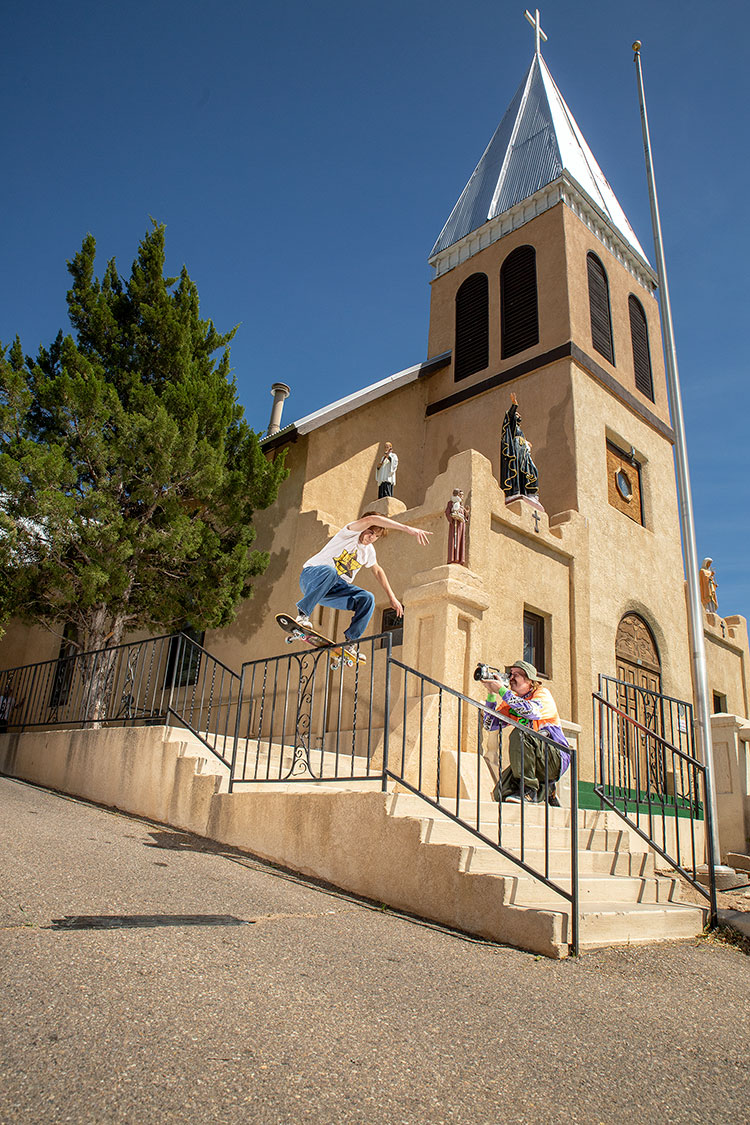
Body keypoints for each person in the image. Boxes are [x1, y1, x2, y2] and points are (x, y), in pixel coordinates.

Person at [295, 512, 431, 656]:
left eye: (376, 537)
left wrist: (392, 597)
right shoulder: (350, 533)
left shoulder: (369, 551)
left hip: (332, 590)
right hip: (312, 577)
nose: (371, 538)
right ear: (363, 527)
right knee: (331, 571)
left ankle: (350, 642)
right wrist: (407, 529)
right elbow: (371, 519)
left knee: (367, 598)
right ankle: (303, 615)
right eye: (370, 533)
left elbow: (378, 571)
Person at [481, 660, 570, 804]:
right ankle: (547, 790)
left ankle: (530, 791)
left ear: (529, 679)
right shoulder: (510, 702)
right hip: (534, 755)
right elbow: (489, 725)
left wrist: (503, 691)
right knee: (501, 793)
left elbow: (530, 711)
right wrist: (491, 694)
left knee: (520, 733)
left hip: (555, 756)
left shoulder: (542, 694)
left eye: (516, 674)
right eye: (510, 674)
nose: (511, 678)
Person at [500, 394, 542, 508]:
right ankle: (517, 491)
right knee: (518, 469)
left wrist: (526, 442)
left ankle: (531, 493)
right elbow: (510, 415)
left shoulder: (519, 430)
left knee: (531, 470)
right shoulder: (512, 427)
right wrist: (514, 405)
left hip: (523, 451)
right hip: (517, 451)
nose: (519, 415)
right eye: (517, 414)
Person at [445, 488, 470, 565]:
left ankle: (459, 559)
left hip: (461, 525)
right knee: (454, 540)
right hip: (455, 524)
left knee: (460, 540)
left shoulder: (461, 505)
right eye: (461, 495)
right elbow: (447, 512)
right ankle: (453, 558)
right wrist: (452, 518)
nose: (462, 496)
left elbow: (465, 515)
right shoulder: (451, 503)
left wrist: (466, 513)